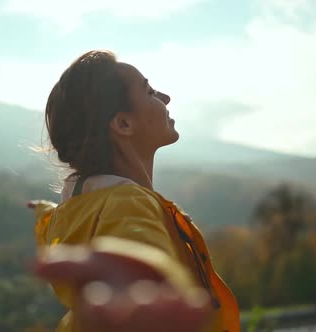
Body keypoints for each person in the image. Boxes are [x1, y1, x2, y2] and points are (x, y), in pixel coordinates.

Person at [29, 50, 240, 332]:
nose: (166, 97)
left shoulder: (76, 211)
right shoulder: (130, 202)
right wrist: (146, 287)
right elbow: (135, 244)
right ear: (123, 124)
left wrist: (47, 214)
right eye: (150, 91)